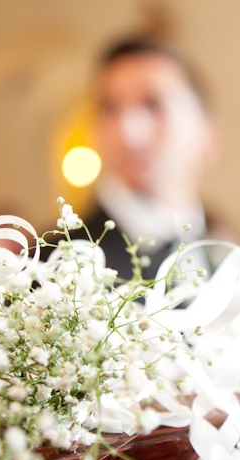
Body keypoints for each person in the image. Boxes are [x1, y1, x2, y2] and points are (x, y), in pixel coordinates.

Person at [72, 36, 219, 282]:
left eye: (154, 104)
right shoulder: (62, 266)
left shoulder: (225, 249)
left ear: (208, 136)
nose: (129, 133)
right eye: (110, 108)